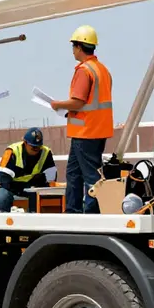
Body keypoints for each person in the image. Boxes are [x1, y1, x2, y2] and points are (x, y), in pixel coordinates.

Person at [50, 25, 113, 214]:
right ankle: (73, 211)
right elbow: (93, 103)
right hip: (97, 130)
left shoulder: (84, 71)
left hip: (86, 132)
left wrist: (58, 105)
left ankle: (92, 213)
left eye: (73, 46)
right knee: (74, 174)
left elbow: (78, 102)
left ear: (78, 47)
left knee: (90, 176)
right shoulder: (102, 70)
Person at [0, 127, 58, 212]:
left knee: (50, 196)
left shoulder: (45, 153)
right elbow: (3, 178)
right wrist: (20, 187)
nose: (36, 150)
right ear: (25, 143)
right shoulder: (13, 151)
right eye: (33, 147)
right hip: (13, 187)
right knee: (1, 196)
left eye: (38, 147)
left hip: (33, 188)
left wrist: (39, 185)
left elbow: (51, 179)